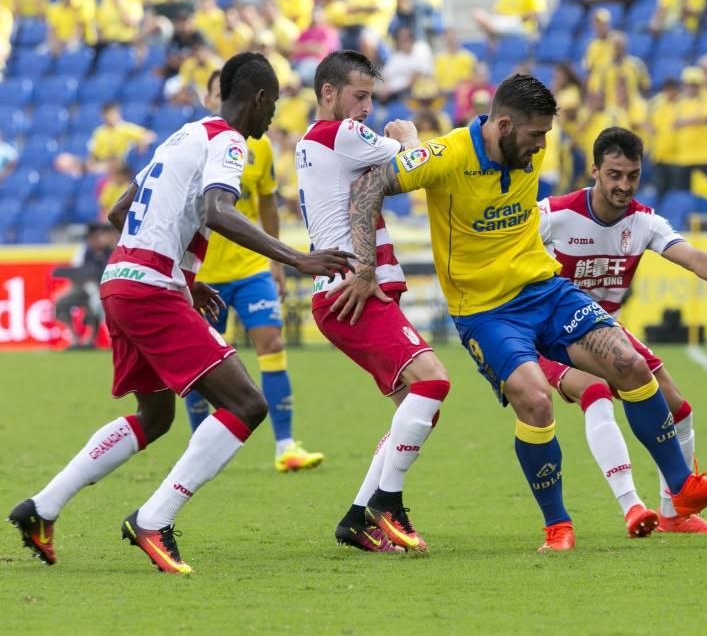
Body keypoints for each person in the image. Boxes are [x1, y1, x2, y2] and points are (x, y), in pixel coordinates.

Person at [342, 74, 707, 552]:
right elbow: (368, 188)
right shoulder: (451, 155)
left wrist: (412, 139)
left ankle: (681, 488)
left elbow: (427, 152)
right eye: (536, 135)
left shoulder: (523, 151)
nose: (541, 146)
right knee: (535, 402)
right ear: (504, 124)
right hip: (485, 312)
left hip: (546, 291)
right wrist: (365, 268)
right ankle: (557, 525)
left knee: (631, 365)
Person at [7, 53, 353, 574]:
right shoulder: (229, 142)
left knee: (156, 416)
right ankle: (154, 519)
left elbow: (120, 211)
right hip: (150, 291)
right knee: (247, 404)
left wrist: (183, 277)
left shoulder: (181, 136)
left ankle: (42, 507)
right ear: (258, 99)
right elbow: (218, 209)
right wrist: (297, 257)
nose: (272, 119)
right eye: (274, 106)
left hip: (122, 282)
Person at [537, 127, 707, 537]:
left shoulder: (643, 222)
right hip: (549, 334)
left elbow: (692, 257)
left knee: (677, 407)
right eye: (614, 175)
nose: (624, 185)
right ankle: (631, 505)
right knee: (596, 392)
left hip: (606, 330)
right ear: (594, 171)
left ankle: (674, 514)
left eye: (633, 175)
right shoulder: (553, 215)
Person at [297, 51, 451, 553]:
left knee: (417, 406)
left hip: (345, 292)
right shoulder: (341, 135)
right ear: (328, 93)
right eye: (359, 96)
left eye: (370, 98)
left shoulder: (311, 144)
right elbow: (423, 166)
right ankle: (388, 504)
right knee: (432, 381)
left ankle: (357, 518)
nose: (366, 108)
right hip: (354, 292)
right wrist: (408, 135)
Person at [183, 69, 324, 474]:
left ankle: (285, 446)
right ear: (211, 100)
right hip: (204, 274)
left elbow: (266, 207)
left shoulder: (257, 149)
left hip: (250, 268)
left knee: (272, 344)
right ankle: (200, 449)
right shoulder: (198, 143)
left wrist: (277, 262)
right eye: (210, 93)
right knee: (199, 363)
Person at [53, 223, 116, 349]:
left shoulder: (110, 252)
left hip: (103, 288)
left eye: (97, 237)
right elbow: (76, 272)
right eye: (91, 238)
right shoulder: (84, 252)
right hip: (82, 287)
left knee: (97, 304)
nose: (94, 240)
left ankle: (96, 339)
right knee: (61, 301)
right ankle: (74, 339)